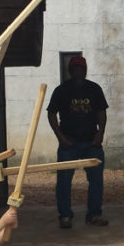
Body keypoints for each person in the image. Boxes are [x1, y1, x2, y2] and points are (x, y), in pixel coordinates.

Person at [47, 55, 109, 228]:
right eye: (75, 70)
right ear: (70, 71)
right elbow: (51, 114)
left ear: (85, 71)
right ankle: (65, 216)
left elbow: (101, 112)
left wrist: (100, 134)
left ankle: (94, 215)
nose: (78, 73)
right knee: (64, 182)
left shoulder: (94, 89)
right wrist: (60, 137)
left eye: (81, 69)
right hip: (69, 144)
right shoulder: (61, 90)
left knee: (96, 181)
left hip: (91, 143)